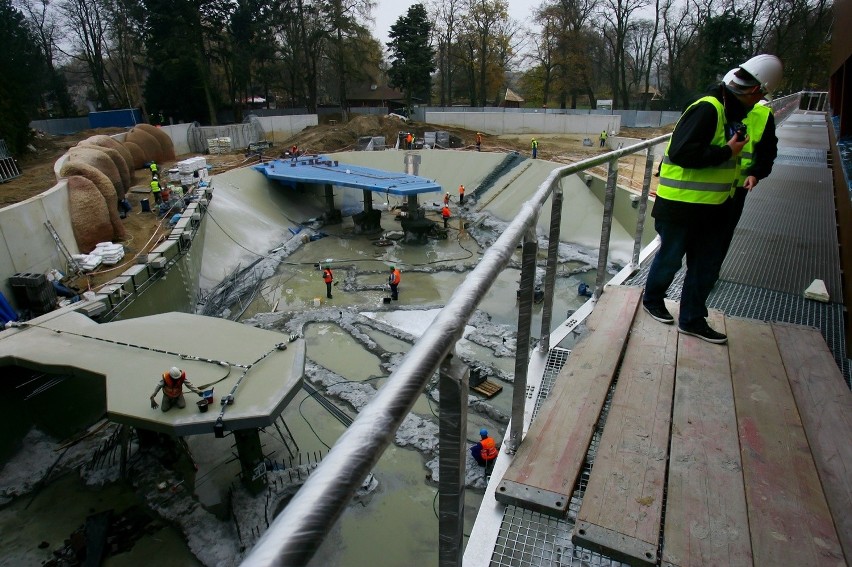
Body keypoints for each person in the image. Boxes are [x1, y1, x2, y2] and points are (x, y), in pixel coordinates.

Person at [642, 53, 783, 345]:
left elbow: (764, 153)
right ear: (755, 91)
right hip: (681, 205)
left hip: (719, 205)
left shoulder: (747, 114)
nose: (759, 102)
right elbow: (682, 152)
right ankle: (653, 300)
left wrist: (755, 172)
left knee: (706, 265)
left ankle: (692, 319)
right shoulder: (708, 109)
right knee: (670, 258)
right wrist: (727, 152)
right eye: (759, 96)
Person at [720, 57, 781, 257]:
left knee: (723, 233)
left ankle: (710, 273)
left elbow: (767, 150)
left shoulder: (763, 115)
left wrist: (756, 173)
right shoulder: (717, 109)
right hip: (713, 184)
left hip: (738, 186)